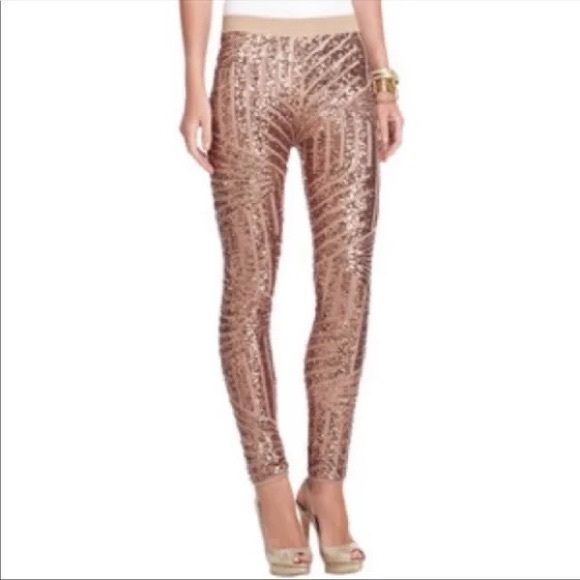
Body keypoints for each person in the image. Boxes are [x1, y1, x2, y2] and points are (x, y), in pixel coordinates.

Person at [179, 0, 403, 575]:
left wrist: (383, 79)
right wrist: (194, 83)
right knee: (249, 281)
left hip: (344, 64)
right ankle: (271, 485)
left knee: (348, 279)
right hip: (247, 62)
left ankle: (326, 484)